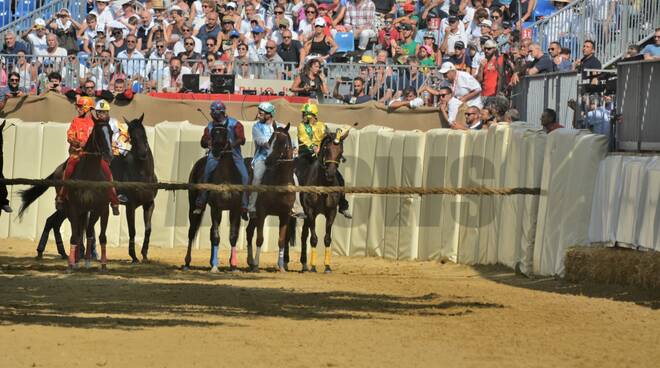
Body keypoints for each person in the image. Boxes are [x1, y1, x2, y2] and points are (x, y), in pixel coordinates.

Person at [56, 98, 121, 216]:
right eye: (78, 106)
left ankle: (114, 200)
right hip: (78, 154)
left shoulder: (96, 123)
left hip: (94, 156)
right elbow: (70, 136)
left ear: (88, 108)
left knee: (107, 172)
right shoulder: (75, 121)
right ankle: (61, 196)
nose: (78, 109)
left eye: (81, 106)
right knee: (69, 168)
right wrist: (76, 142)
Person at [193, 100, 250, 219]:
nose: (212, 114)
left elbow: (242, 139)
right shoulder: (210, 126)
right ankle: (201, 201)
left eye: (214, 112)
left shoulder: (235, 124)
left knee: (245, 176)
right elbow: (203, 141)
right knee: (206, 174)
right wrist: (207, 141)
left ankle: (244, 205)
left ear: (221, 112)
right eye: (212, 112)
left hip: (234, 155)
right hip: (215, 155)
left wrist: (232, 144)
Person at [297, 102, 351, 219]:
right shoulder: (301, 126)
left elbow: (328, 138)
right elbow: (304, 138)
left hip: (319, 157)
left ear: (312, 114)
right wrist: (313, 148)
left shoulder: (322, 126)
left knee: (339, 178)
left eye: (305, 114)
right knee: (297, 177)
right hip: (305, 156)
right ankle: (299, 207)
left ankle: (343, 205)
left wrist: (338, 135)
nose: (303, 116)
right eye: (303, 114)